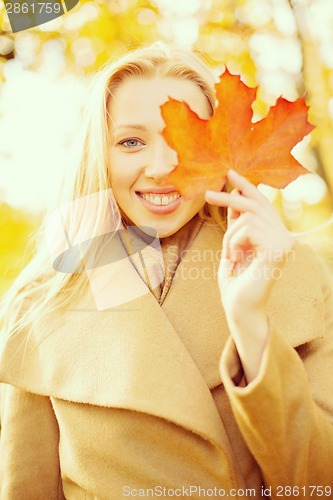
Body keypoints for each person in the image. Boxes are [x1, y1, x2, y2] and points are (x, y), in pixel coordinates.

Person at [0, 42, 333, 499]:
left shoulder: (300, 276)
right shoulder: (42, 302)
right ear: (101, 154)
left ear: (219, 152)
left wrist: (251, 326)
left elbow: (319, 482)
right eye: (131, 141)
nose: (159, 168)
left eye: (183, 141)